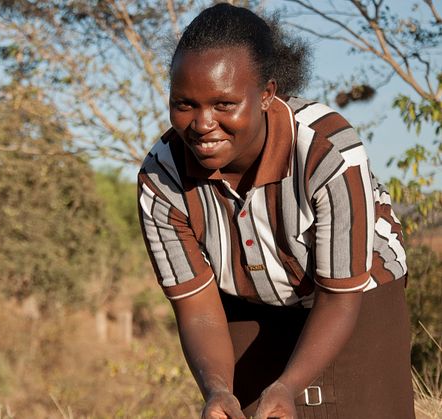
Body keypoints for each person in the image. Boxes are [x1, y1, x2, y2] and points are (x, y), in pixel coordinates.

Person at [137, 3, 414, 419]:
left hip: (356, 290)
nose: (202, 123)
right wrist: (216, 389)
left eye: (224, 104)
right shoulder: (162, 179)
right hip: (248, 298)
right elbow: (197, 308)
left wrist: (288, 384)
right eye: (184, 104)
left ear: (266, 94)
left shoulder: (326, 151)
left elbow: (339, 298)